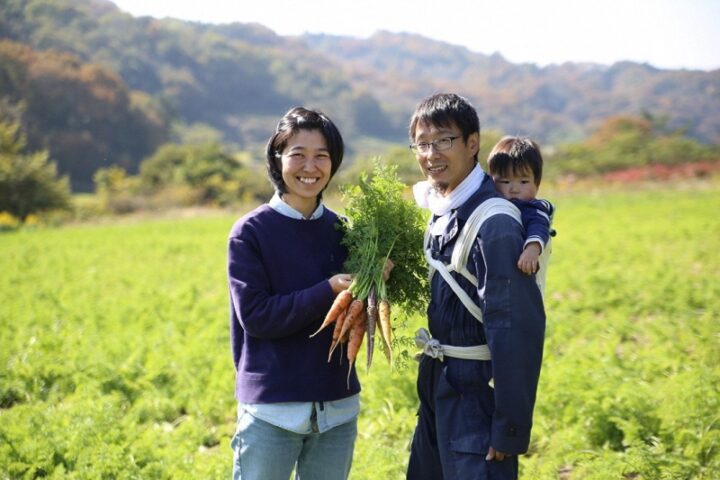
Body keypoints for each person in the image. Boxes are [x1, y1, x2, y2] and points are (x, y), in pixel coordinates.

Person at [406, 93, 546, 480]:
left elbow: (516, 333)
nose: (431, 153)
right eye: (422, 143)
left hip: (477, 398)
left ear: (473, 143)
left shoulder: (495, 222)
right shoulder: (442, 208)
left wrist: (509, 429)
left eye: (444, 140)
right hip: (439, 385)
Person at [227, 106, 358, 480]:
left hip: (337, 410)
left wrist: (376, 283)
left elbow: (358, 312)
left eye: (321, 156)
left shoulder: (344, 230)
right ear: (277, 158)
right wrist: (328, 289)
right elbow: (258, 317)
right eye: (298, 154)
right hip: (272, 411)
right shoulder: (250, 232)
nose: (310, 167)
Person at [487, 136, 555, 296]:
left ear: (536, 184)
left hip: (522, 274)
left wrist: (532, 249)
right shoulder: (491, 204)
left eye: (524, 182)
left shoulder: (533, 208)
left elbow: (539, 226)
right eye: (505, 181)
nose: (514, 189)